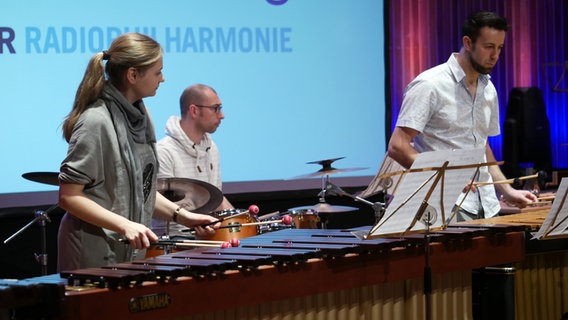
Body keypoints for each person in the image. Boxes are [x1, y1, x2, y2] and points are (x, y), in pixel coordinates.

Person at [57, 32, 219, 271]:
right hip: (92, 253)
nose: (162, 79)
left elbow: (142, 192)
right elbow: (68, 196)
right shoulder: (96, 121)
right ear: (133, 75)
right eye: (157, 72)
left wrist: (184, 216)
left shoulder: (143, 116)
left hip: (130, 249)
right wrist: (125, 225)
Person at [387, 11, 537, 221]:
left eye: (499, 48)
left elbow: (482, 147)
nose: (495, 55)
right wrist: (443, 173)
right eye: (489, 47)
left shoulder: (489, 89)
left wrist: (506, 191)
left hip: (486, 205)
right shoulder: (430, 85)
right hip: (443, 206)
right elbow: (397, 146)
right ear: (468, 43)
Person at [152, 84, 233, 236]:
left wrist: (240, 221)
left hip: (206, 242)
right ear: (194, 110)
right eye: (216, 108)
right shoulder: (164, 152)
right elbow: (158, 206)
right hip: (172, 250)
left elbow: (216, 200)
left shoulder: (211, 148)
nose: (221, 115)